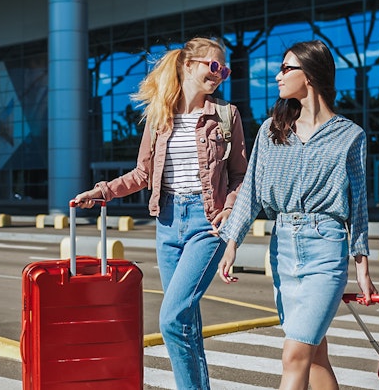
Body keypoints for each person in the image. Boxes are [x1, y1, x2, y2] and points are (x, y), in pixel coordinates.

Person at [72, 37, 248, 389]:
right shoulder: (159, 117)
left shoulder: (226, 116)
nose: (220, 74)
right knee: (184, 325)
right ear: (188, 64)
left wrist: (230, 209)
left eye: (224, 69)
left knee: (170, 318)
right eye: (213, 66)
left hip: (207, 223)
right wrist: (103, 191)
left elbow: (241, 175)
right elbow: (142, 174)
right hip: (167, 224)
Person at [216, 40, 377, 390]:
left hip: (326, 250)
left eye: (287, 68)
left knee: (294, 355)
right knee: (315, 354)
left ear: (311, 75)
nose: (278, 76)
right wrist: (231, 242)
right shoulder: (272, 130)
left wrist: (362, 267)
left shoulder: (350, 136)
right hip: (284, 249)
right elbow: (252, 192)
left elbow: (359, 205)